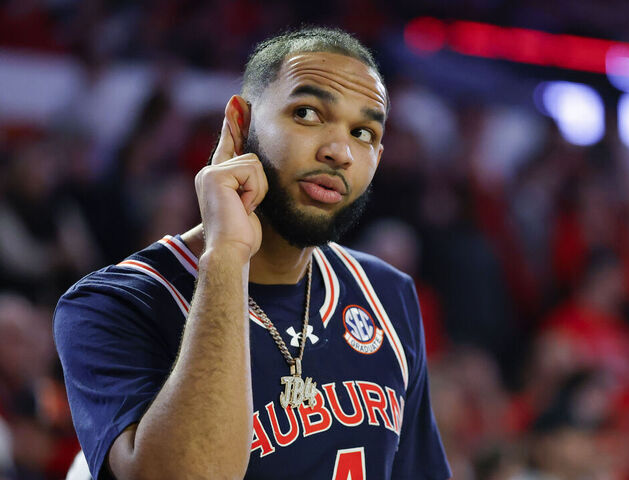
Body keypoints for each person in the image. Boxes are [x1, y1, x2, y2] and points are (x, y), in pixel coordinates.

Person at [54, 27, 451, 480]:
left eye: (362, 132)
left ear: (377, 156)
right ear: (240, 123)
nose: (340, 151)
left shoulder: (387, 293)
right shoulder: (113, 303)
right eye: (307, 113)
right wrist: (226, 254)